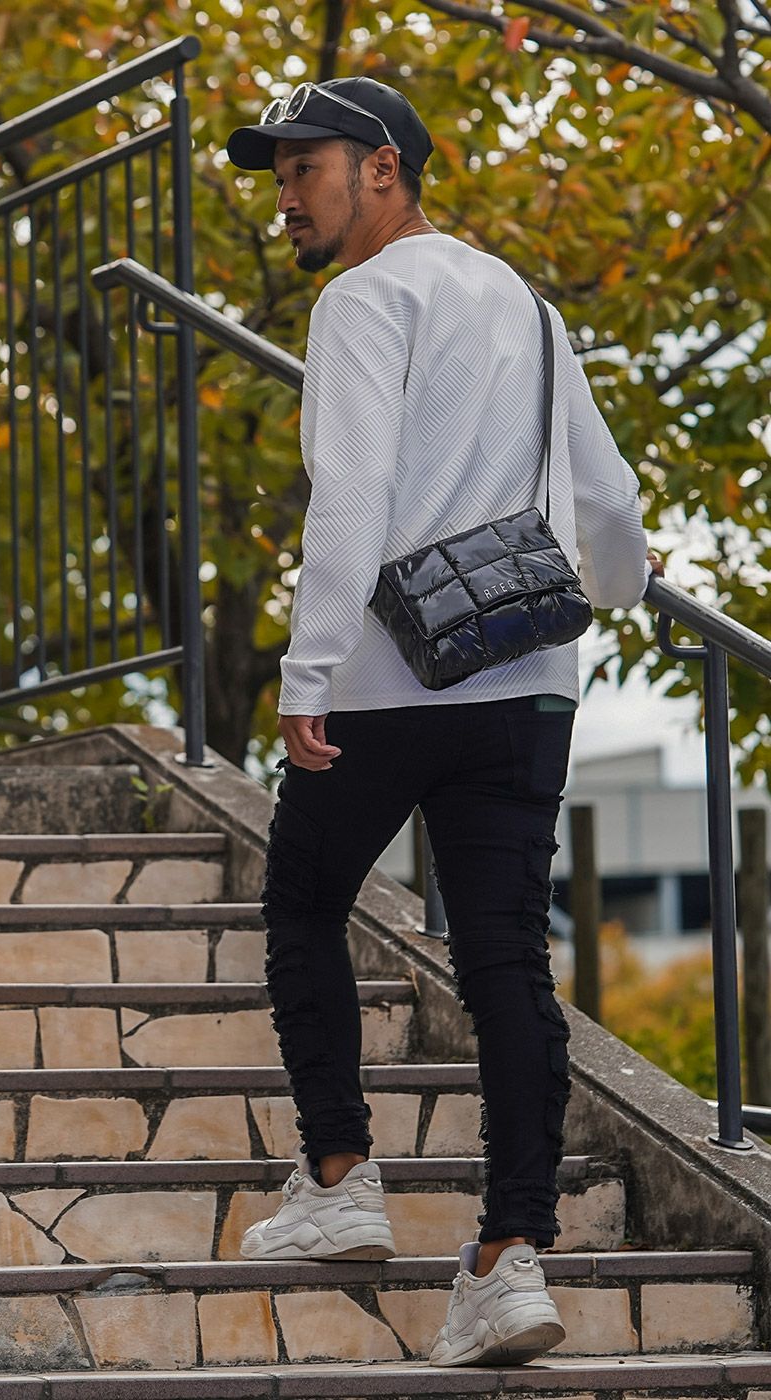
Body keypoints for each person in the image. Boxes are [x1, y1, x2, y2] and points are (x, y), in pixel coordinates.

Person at [225, 75, 663, 1368]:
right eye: (280, 176)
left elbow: (351, 493)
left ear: (383, 169)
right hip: (526, 678)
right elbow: (609, 497)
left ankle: (341, 1179)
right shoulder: (525, 306)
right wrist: (612, 594)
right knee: (506, 962)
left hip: (383, 682)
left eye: (305, 170)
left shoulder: (363, 299)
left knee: (304, 904)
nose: (287, 197)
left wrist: (308, 671)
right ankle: (508, 1259)